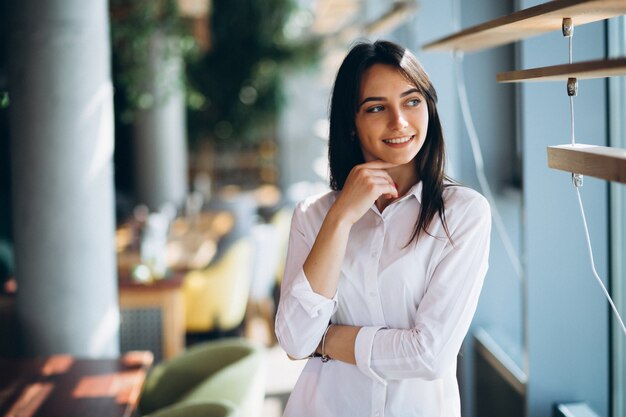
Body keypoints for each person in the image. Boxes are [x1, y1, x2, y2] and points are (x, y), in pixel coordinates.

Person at [274, 39, 491, 417]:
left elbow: (428, 354)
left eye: (412, 100)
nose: (400, 122)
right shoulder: (313, 216)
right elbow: (294, 341)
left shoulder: (463, 214)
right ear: (352, 125)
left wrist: (325, 340)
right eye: (376, 108)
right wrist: (340, 219)